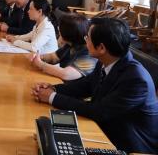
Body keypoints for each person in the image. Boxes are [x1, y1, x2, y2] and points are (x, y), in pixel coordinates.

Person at [32, 18, 158, 153]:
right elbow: (85, 86)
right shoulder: (107, 60)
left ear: (102, 48)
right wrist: (53, 88)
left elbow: (98, 111)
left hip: (128, 146)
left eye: (88, 38)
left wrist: (52, 97)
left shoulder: (137, 80)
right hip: (105, 129)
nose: (85, 40)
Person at [30, 13, 97, 81]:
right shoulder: (70, 44)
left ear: (69, 33)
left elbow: (66, 74)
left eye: (60, 29)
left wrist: (40, 64)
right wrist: (39, 57)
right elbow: (54, 57)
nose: (59, 30)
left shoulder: (89, 52)